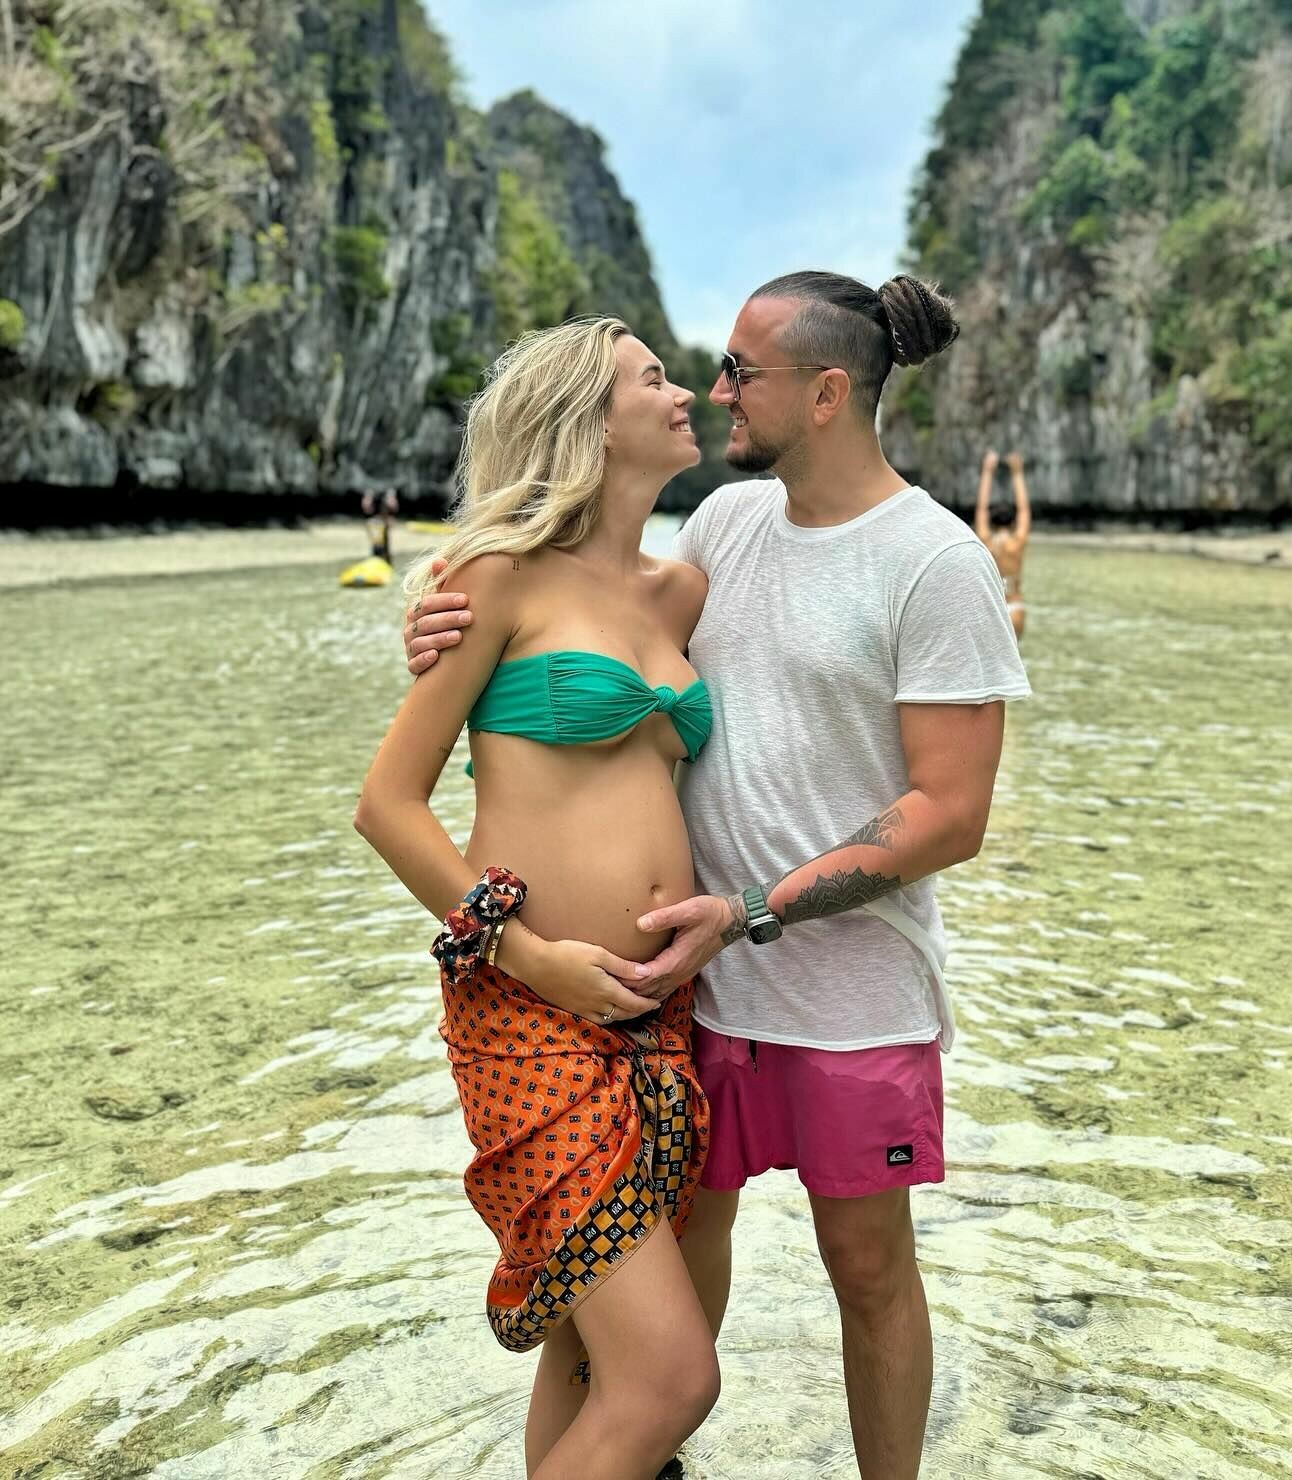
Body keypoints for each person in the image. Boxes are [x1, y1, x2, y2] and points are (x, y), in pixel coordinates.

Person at [409, 271, 1032, 1479]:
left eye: (744, 370)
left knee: (869, 1272)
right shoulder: (725, 531)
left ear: (827, 393)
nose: (716, 387)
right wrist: (444, 631)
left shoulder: (935, 562)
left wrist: (750, 911)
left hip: (850, 995)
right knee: (634, 1286)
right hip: (679, 995)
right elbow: (586, 630)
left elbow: (951, 815)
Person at [355, 317, 724, 1480]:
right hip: (530, 1011)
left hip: (659, 1012)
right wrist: (530, 957)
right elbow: (388, 806)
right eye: (653, 379)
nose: (685, 393)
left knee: (587, 1352)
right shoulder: (495, 579)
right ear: (586, 424)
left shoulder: (683, 592)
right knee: (672, 1380)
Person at [975, 449, 1030, 638]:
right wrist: (1017, 472)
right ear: (1013, 523)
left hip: (993, 609)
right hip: (1015, 607)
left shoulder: (986, 542)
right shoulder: (1018, 542)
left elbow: (981, 508)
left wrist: (987, 471)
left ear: (991, 523)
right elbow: (1023, 509)